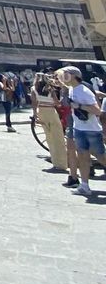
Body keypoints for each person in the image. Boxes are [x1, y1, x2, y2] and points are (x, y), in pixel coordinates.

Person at [62, 65, 106, 197]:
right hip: (79, 128)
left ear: (74, 76)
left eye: (66, 74)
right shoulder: (71, 89)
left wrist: (79, 106)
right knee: (82, 157)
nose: (63, 77)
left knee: (101, 157)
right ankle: (84, 185)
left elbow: (97, 110)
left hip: (91, 130)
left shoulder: (84, 91)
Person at [31, 72, 68, 173]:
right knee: (58, 138)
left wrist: (35, 114)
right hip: (51, 112)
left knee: (49, 138)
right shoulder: (50, 89)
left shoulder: (33, 89)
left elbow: (34, 103)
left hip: (41, 112)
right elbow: (57, 103)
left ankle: (55, 162)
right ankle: (62, 163)